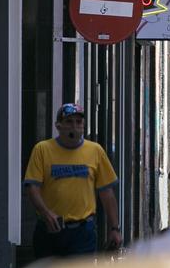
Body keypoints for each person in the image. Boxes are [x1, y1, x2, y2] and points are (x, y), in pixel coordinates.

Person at [23, 103, 122, 259]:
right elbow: (32, 187)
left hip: (82, 233)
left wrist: (114, 229)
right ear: (58, 125)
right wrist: (46, 213)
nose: (74, 126)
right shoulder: (42, 150)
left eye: (78, 122)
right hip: (50, 230)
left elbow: (107, 193)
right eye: (69, 122)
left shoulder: (95, 151)